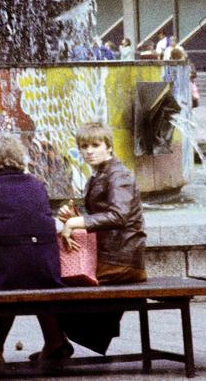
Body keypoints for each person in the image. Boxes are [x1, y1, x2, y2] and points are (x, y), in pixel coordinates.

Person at [0, 132, 69, 365]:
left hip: (2, 275)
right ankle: (48, 339)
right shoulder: (37, 186)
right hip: (44, 272)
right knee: (17, 257)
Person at [53, 122, 146, 356]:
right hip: (110, 255)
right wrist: (75, 217)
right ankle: (56, 343)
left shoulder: (119, 175)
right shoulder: (100, 174)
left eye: (95, 145)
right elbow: (102, 215)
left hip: (121, 259)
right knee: (52, 278)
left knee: (53, 282)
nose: (89, 151)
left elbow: (119, 215)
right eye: (84, 146)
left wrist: (76, 223)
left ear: (109, 147)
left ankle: (56, 344)